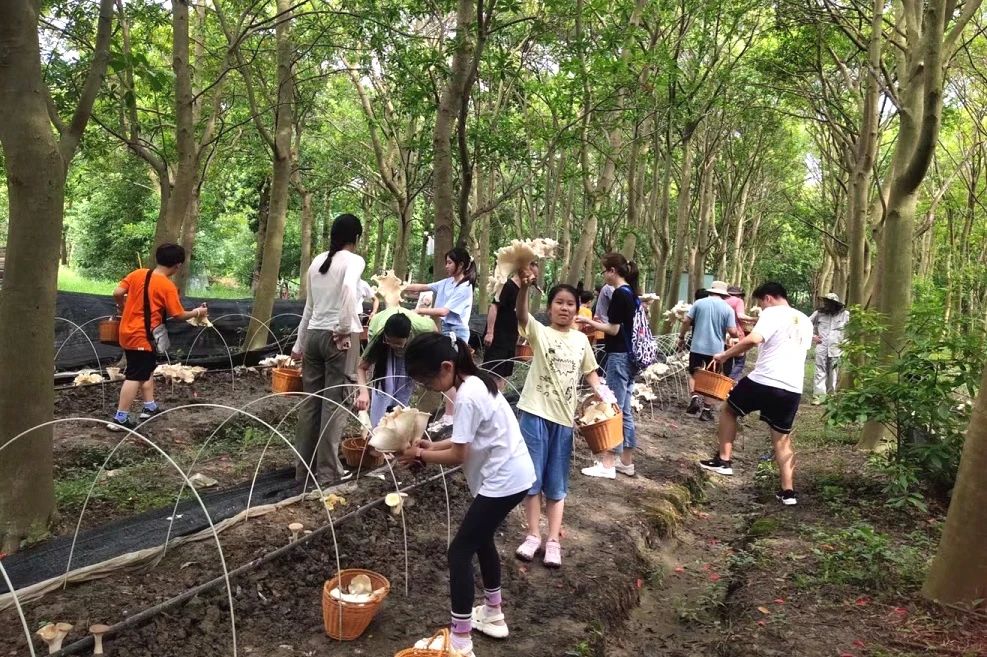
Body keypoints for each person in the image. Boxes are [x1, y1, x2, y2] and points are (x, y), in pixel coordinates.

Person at [398, 333, 536, 657]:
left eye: (428, 380)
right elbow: (465, 442)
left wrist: (418, 456)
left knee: (458, 553)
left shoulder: (468, 395)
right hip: (512, 475)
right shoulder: (474, 382)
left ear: (447, 366)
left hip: (503, 480)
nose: (427, 387)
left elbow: (459, 455)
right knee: (481, 539)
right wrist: (431, 446)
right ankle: (493, 614)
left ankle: (460, 641)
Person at [515, 273, 609, 568]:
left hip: (564, 420)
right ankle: (532, 535)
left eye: (570, 304)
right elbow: (520, 312)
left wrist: (606, 396)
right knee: (532, 480)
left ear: (577, 309)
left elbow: (591, 374)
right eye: (559, 303)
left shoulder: (582, 340)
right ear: (550, 307)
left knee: (556, 483)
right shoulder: (540, 333)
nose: (565, 308)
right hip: (534, 412)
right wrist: (525, 287)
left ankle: (553, 540)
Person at [699, 282, 813, 506]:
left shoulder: (772, 313)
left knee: (729, 409)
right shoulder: (805, 320)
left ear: (768, 298)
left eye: (760, 302)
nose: (760, 307)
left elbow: (753, 340)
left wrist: (724, 355)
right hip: (792, 388)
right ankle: (788, 492)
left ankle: (724, 460)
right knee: (782, 438)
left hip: (765, 379)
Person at [291, 214, 365, 484]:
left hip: (313, 336)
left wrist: (299, 344)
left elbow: (308, 307)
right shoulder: (354, 260)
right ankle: (328, 473)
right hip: (338, 338)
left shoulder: (317, 261)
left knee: (311, 402)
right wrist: (344, 328)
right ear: (355, 237)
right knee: (334, 403)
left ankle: (304, 470)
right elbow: (348, 289)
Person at [106, 243, 208, 431]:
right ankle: (120, 418)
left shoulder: (138, 274)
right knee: (135, 375)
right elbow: (178, 315)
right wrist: (197, 312)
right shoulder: (167, 286)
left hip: (126, 331)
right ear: (177, 265)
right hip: (141, 336)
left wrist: (123, 305)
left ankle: (149, 406)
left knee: (147, 368)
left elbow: (117, 293)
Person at [574, 253, 640, 479]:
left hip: (619, 356)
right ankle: (626, 462)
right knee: (626, 409)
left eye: (604, 271)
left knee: (612, 407)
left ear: (612, 271)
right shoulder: (631, 292)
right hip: (630, 357)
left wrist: (587, 321)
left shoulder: (620, 294)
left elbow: (613, 329)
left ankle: (608, 463)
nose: (603, 275)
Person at [404, 247, 477, 431]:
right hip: (445, 329)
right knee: (446, 371)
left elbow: (444, 311)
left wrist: (420, 310)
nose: (446, 266)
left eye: (450, 263)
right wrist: (402, 286)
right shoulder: (447, 282)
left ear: (461, 265)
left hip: (457, 332)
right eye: (446, 262)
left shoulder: (465, 287)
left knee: (451, 374)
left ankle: (451, 416)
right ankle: (451, 414)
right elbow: (424, 287)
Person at [354, 307, 436, 426]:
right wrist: (363, 392)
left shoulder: (423, 328)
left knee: (404, 382)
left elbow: (435, 332)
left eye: (398, 343)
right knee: (386, 384)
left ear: (409, 337)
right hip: (381, 328)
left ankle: (398, 423)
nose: (393, 345)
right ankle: (378, 426)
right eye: (389, 341)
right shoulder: (379, 335)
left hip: (410, 340)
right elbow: (361, 367)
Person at [678, 280, 738, 421]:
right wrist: (736, 335)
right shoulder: (728, 309)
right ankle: (705, 411)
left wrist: (681, 337)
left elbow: (686, 321)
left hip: (697, 346)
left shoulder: (699, 303)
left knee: (694, 373)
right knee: (712, 380)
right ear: (724, 294)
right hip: (716, 350)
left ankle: (694, 397)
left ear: (711, 290)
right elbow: (731, 330)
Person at [482, 262, 540, 390]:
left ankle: (499, 396)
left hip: (510, 339)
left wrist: (520, 334)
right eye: (533, 275)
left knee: (504, 372)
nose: (534, 278)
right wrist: (490, 332)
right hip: (498, 338)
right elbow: (494, 307)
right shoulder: (507, 286)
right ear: (524, 271)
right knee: (493, 372)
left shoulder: (523, 292)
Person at [809, 292, 849, 404]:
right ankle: (818, 397)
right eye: (826, 302)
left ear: (836, 304)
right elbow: (806, 324)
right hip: (821, 347)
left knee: (833, 373)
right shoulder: (819, 313)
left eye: (830, 303)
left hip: (837, 348)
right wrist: (813, 337)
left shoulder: (845, 315)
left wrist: (845, 343)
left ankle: (831, 397)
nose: (827, 305)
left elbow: (852, 331)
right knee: (819, 371)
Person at [724, 285, 754, 381]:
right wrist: (754, 319)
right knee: (739, 361)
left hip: (723, 334)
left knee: (727, 358)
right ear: (739, 295)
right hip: (736, 334)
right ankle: (730, 382)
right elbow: (740, 316)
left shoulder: (723, 301)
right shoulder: (738, 301)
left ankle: (723, 381)